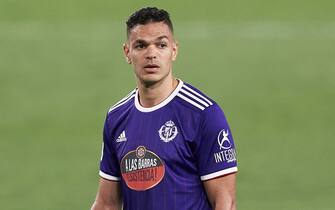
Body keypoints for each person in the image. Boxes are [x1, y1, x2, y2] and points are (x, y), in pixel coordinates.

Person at [91, 7, 238, 210]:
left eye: (161, 45)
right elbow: (107, 203)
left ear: (174, 50)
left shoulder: (203, 114)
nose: (151, 54)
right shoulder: (116, 117)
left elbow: (225, 202)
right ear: (127, 52)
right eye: (141, 46)